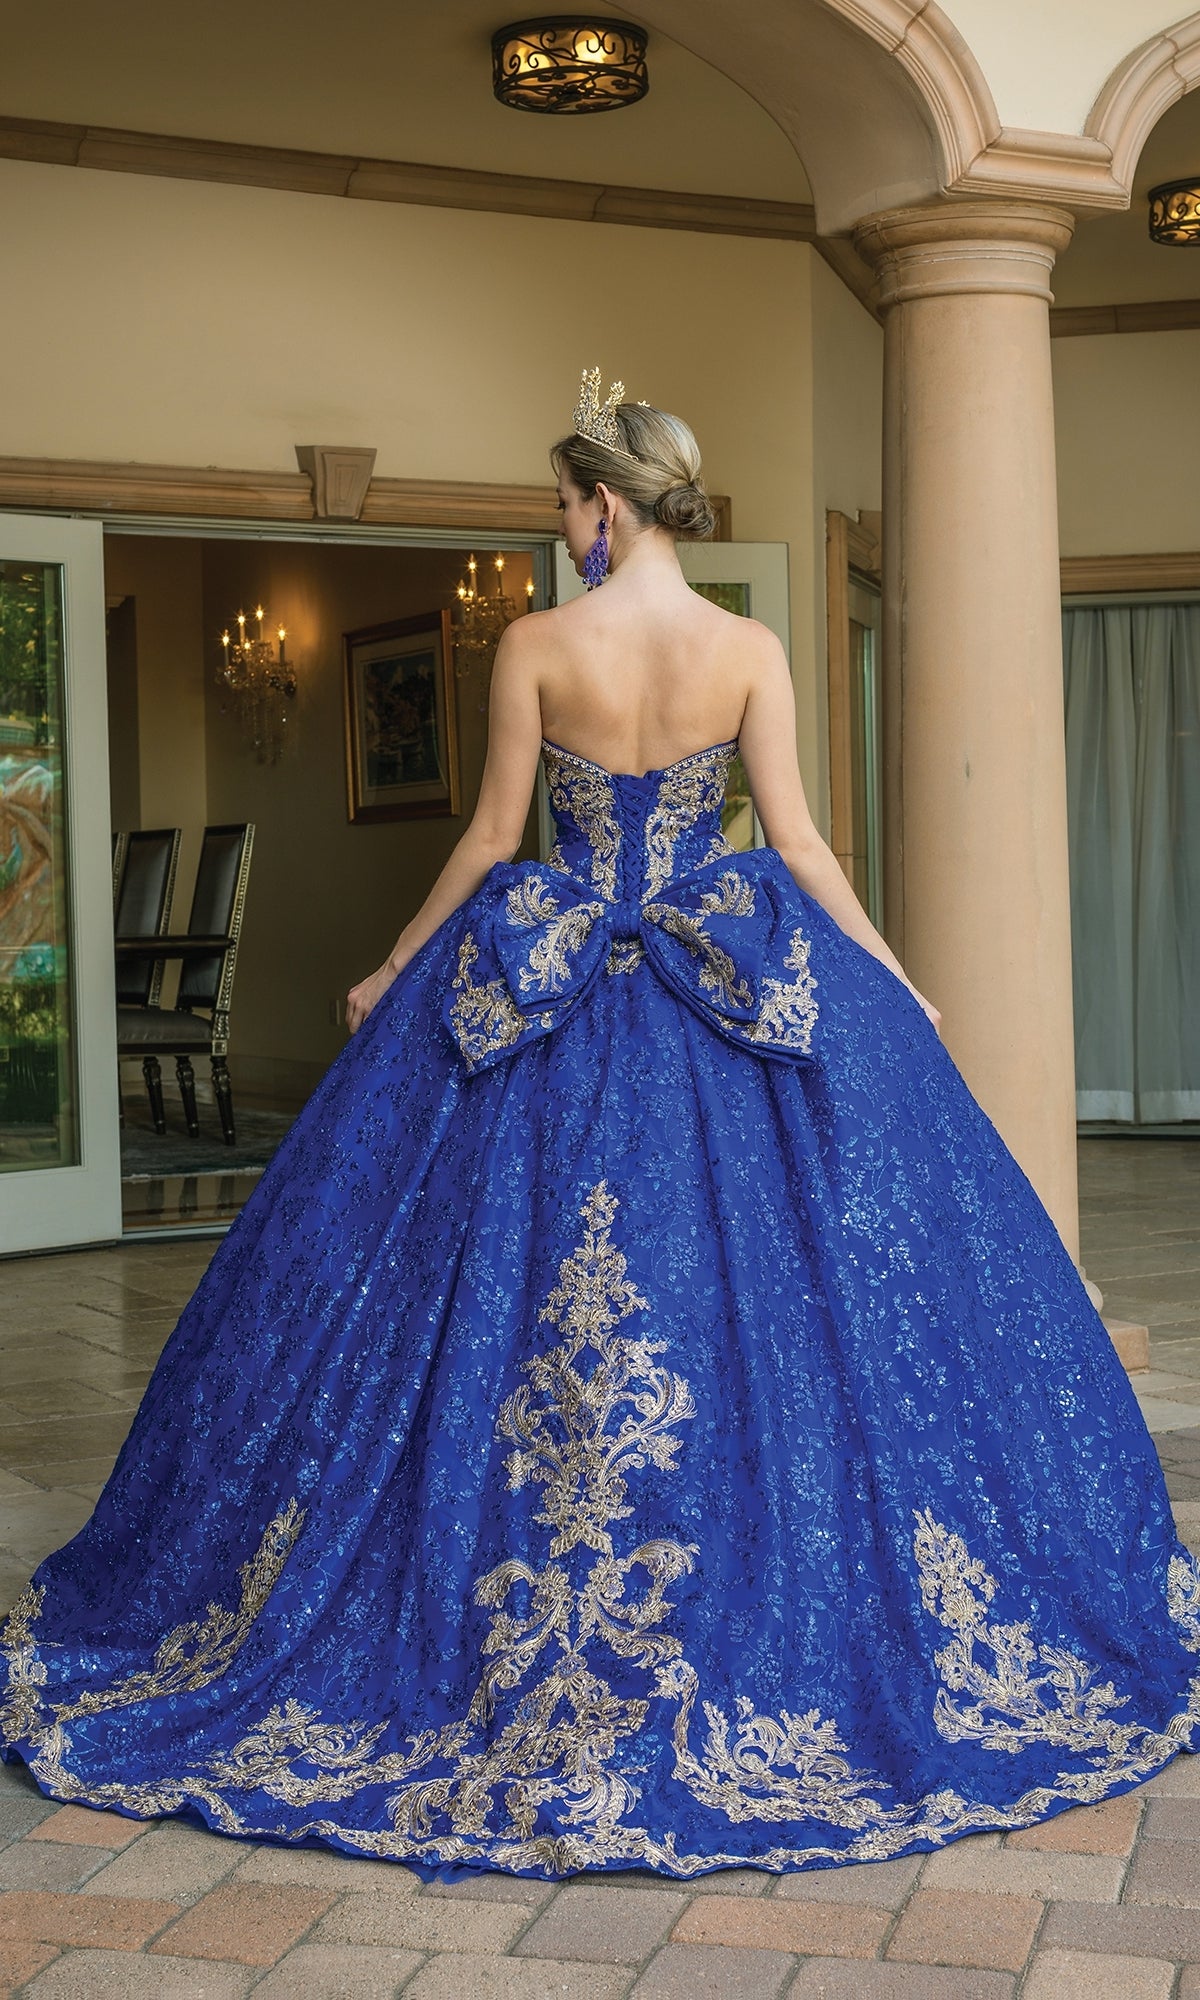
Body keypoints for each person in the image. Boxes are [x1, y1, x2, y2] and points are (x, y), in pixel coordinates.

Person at [1, 370, 1197, 1883]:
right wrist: (893, 979)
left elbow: (494, 839)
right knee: (775, 1307)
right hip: (714, 984)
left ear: (607, 503)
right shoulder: (749, 649)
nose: (564, 528)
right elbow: (800, 843)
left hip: (551, 995)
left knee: (443, 1296)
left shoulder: (538, 644)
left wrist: (392, 968)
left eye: (567, 505)